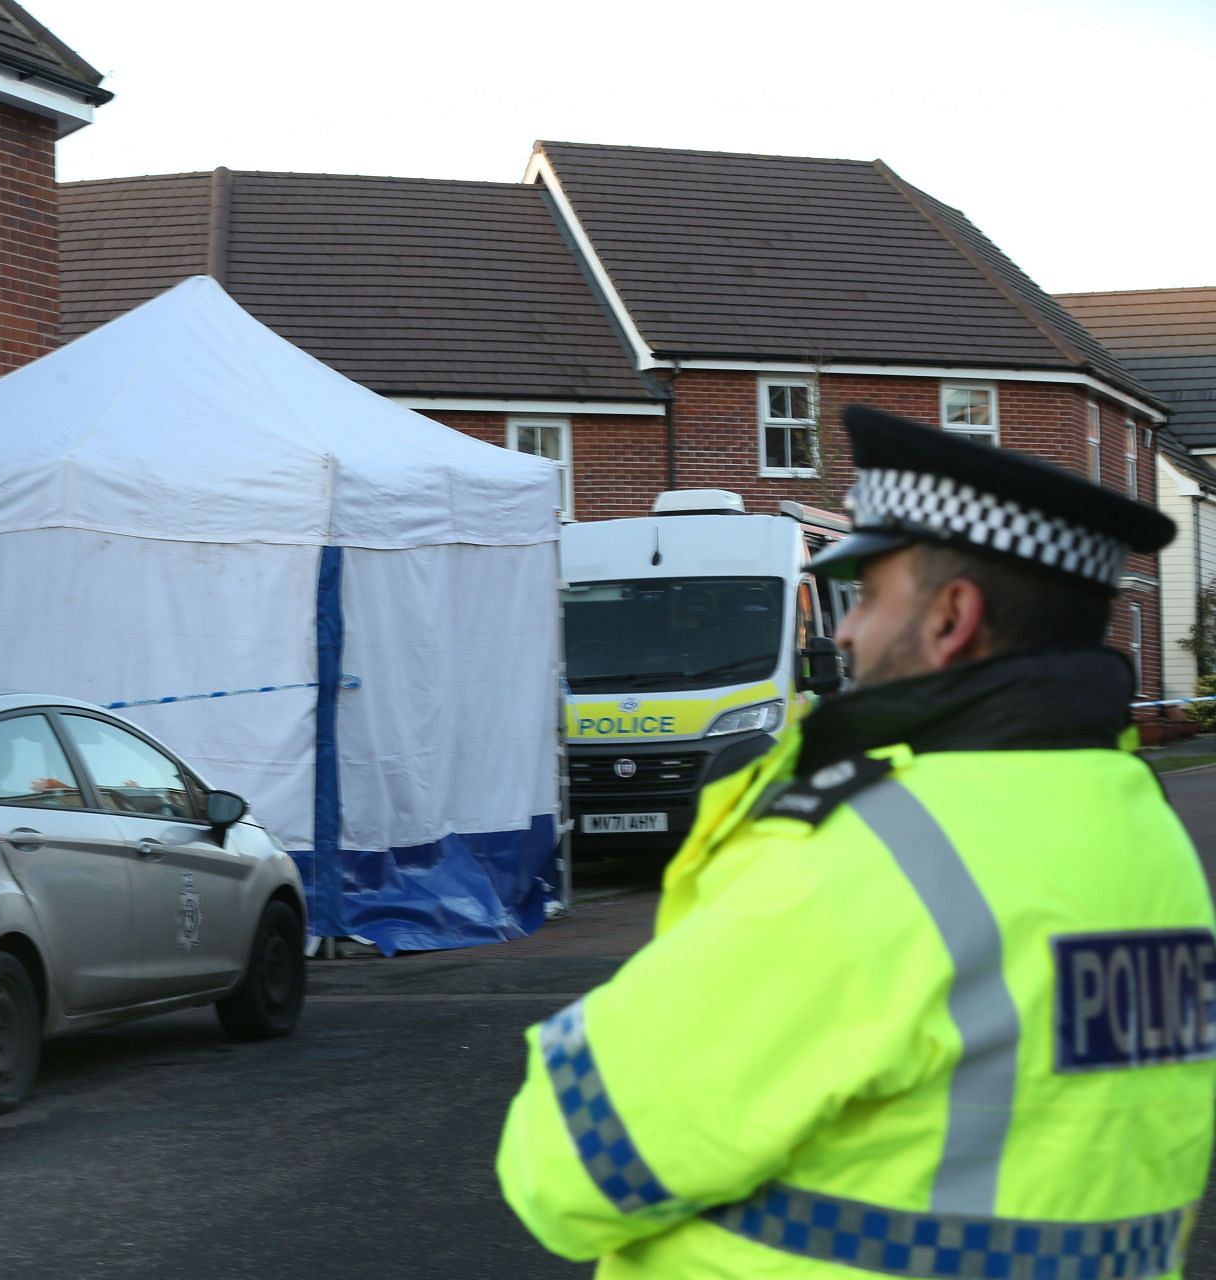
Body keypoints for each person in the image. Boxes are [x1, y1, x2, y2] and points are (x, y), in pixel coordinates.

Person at [498, 404, 1211, 1278]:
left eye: (869, 596)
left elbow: (569, 1166)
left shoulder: (870, 853)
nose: (843, 631)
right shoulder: (1138, 827)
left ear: (951, 617)